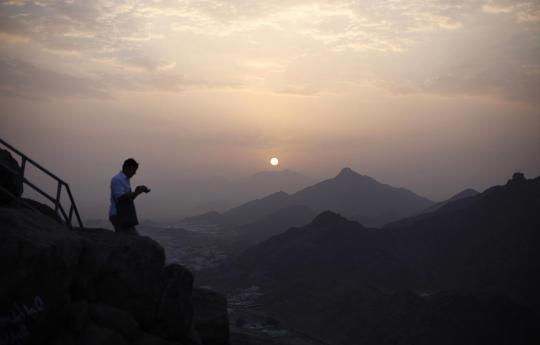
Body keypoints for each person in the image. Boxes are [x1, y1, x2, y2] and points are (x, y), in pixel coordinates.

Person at [109, 158, 150, 235]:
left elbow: (129, 200)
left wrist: (138, 191)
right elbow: (120, 198)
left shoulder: (125, 180)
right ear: (127, 168)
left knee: (130, 237)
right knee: (130, 238)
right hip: (118, 215)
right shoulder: (117, 179)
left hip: (124, 215)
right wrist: (136, 192)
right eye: (134, 170)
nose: (135, 173)